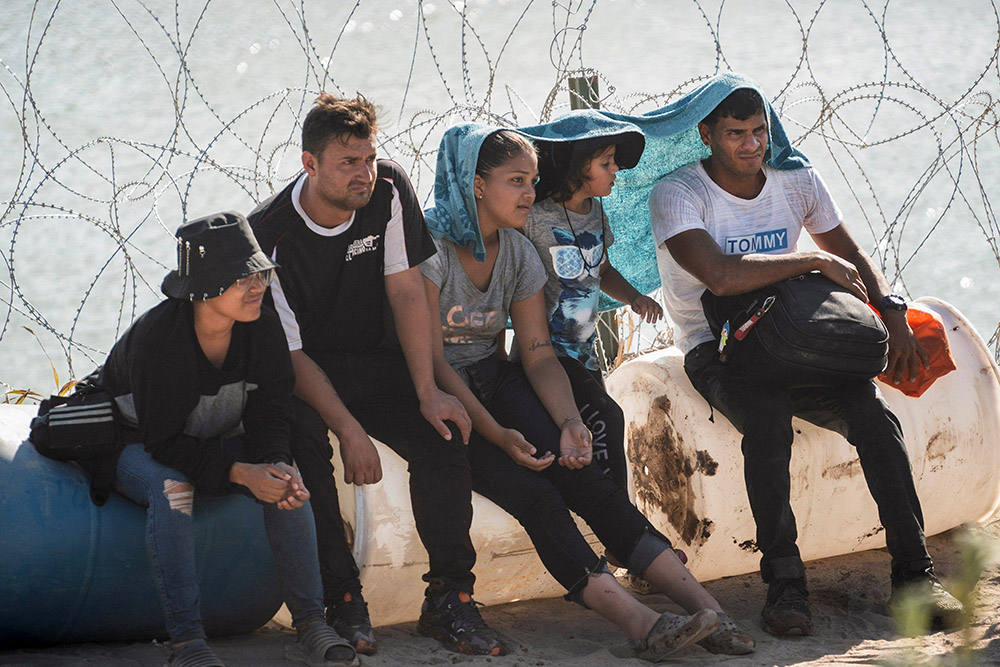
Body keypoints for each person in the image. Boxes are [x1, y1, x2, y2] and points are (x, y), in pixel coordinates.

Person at [420, 123, 756, 659]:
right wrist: (501, 435)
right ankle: (640, 623)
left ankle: (709, 613)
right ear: (476, 184)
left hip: (494, 377)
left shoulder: (519, 252)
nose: (530, 193)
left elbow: (536, 352)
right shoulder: (430, 248)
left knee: (589, 482)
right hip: (443, 393)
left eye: (532, 180)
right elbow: (432, 362)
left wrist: (569, 420)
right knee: (538, 497)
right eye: (515, 181)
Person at [649, 83, 965, 636]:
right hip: (719, 346)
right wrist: (806, 262)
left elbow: (849, 254)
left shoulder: (795, 178)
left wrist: (891, 315)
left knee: (875, 419)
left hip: (799, 338)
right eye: (735, 134)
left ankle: (916, 577)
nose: (751, 145)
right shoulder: (679, 193)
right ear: (706, 135)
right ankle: (786, 583)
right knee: (768, 422)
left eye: (759, 132)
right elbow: (721, 276)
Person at [247, 94, 504, 657]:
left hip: (376, 361)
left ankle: (450, 600)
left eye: (368, 157)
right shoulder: (269, 234)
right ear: (309, 164)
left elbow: (407, 290)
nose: (363, 172)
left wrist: (428, 390)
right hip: (306, 374)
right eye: (347, 163)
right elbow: (289, 355)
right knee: (304, 442)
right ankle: (339, 595)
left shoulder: (386, 188)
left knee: (444, 433)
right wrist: (350, 430)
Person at [91, 212, 357, 667]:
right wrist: (238, 472)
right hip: (137, 444)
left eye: (261, 273)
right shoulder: (160, 340)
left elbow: (273, 413)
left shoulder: (263, 326)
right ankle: (187, 642)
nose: (257, 286)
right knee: (173, 489)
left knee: (285, 479)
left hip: (209, 439)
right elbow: (163, 443)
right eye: (242, 278)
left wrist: (272, 462)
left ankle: (312, 624)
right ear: (204, 289)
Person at [518, 124, 664, 491]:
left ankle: (613, 533)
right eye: (606, 162)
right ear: (578, 167)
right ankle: (626, 537)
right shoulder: (533, 217)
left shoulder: (595, 213)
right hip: (545, 354)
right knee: (609, 421)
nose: (615, 170)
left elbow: (603, 269)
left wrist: (634, 297)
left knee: (594, 443)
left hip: (586, 355)